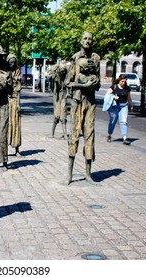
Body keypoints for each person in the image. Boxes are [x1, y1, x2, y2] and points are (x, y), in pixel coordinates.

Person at [65, 31, 100, 185]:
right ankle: (69, 175)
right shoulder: (75, 58)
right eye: (85, 38)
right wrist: (83, 85)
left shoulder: (96, 58)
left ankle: (88, 174)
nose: (87, 41)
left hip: (90, 102)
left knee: (89, 134)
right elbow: (68, 83)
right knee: (74, 134)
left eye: (90, 39)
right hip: (77, 101)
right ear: (81, 41)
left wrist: (94, 83)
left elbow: (98, 84)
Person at [105, 74, 134, 145]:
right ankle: (109, 135)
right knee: (113, 120)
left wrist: (131, 105)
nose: (124, 83)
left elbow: (129, 97)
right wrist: (113, 97)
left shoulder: (127, 88)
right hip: (115, 106)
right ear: (119, 80)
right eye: (122, 81)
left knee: (123, 121)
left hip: (124, 106)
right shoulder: (114, 87)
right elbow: (107, 95)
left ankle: (125, 138)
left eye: (125, 81)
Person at [7, 53, 22, 156]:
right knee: (7, 126)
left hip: (15, 101)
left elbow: (18, 91)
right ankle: (4, 150)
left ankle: (17, 149)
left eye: (14, 62)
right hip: (6, 101)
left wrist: (18, 104)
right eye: (10, 62)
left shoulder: (17, 73)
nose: (12, 64)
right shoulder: (5, 72)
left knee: (16, 125)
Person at [50, 62, 68, 139]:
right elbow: (53, 85)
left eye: (64, 71)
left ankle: (65, 134)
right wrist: (53, 79)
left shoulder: (66, 75)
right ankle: (52, 133)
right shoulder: (55, 76)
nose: (63, 72)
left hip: (63, 95)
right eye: (61, 71)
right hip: (56, 95)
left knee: (63, 115)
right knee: (57, 115)